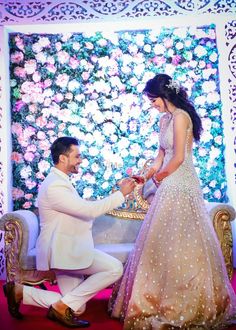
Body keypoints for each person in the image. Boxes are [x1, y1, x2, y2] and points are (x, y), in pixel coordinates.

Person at [108, 74, 236, 329]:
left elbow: (178, 157)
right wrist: (145, 176)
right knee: (161, 242)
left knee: (183, 241)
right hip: (168, 184)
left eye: (153, 99)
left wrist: (161, 177)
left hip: (181, 183)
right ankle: (156, 299)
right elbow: (161, 155)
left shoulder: (180, 117)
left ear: (165, 97)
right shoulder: (165, 118)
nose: (152, 104)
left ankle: (186, 302)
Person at [3, 136, 136, 328]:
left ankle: (21, 292)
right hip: (63, 250)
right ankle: (61, 306)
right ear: (63, 158)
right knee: (114, 268)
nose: (80, 160)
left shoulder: (60, 181)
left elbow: (81, 211)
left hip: (67, 249)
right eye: (77, 156)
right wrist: (121, 194)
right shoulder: (55, 186)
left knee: (77, 307)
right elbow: (90, 211)